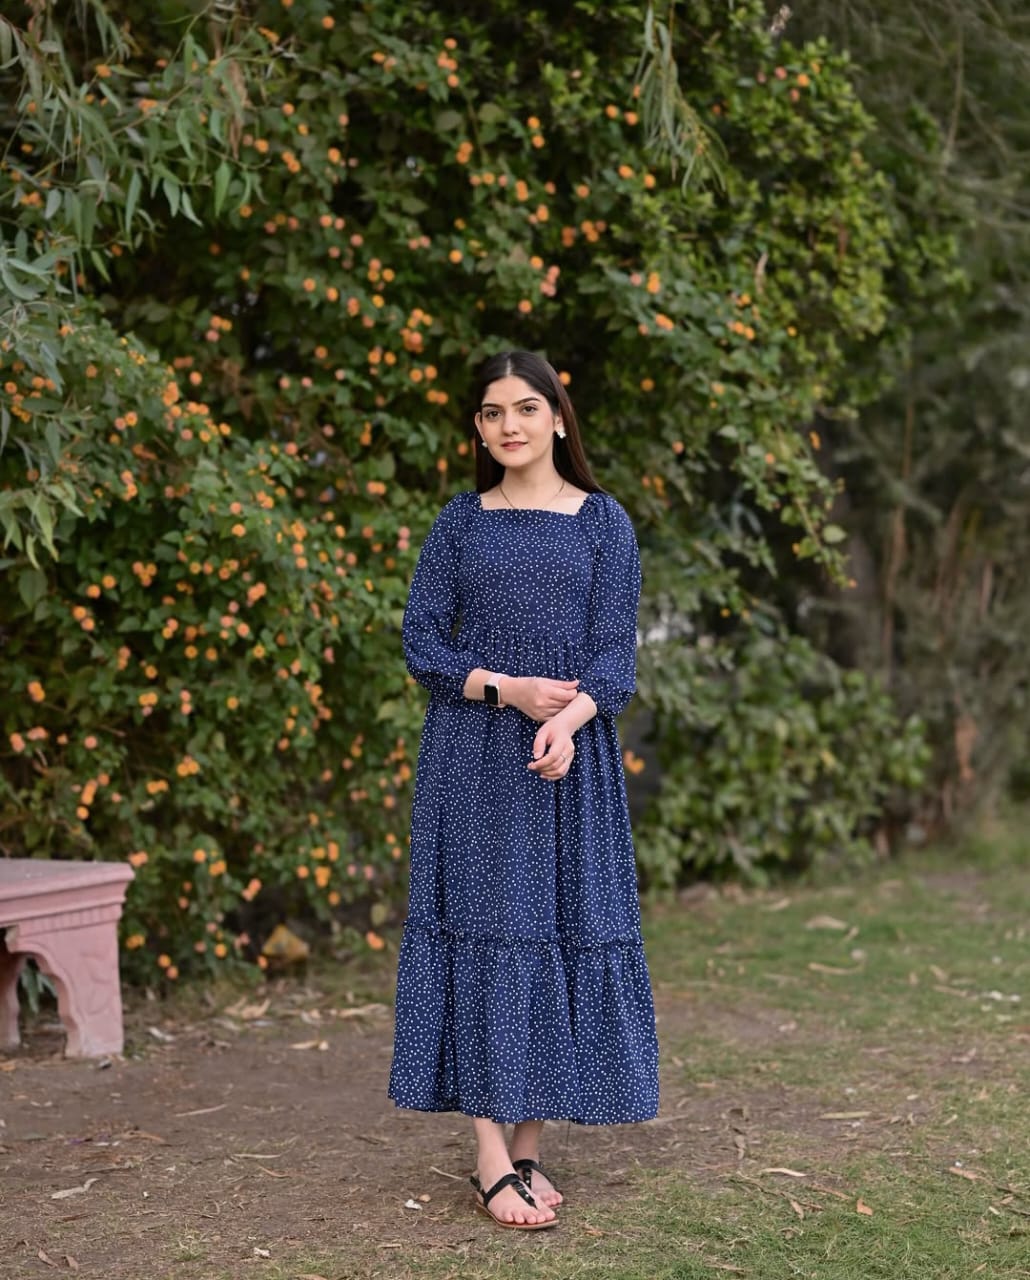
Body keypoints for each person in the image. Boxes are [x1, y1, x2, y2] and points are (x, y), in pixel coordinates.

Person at [388, 350, 659, 1230]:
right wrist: (502, 690)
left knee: (556, 932)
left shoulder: (603, 523)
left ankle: (529, 1146)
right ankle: (488, 1152)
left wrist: (570, 720)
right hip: (472, 758)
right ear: (477, 428)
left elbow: (614, 656)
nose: (510, 425)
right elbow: (422, 643)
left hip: (569, 763)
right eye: (493, 412)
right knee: (482, 935)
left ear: (558, 419)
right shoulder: (461, 522)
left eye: (527, 408)